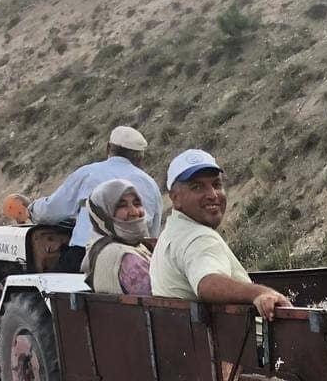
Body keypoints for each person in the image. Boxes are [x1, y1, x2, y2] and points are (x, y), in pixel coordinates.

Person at [149, 149, 292, 318]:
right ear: (176, 198)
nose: (212, 195)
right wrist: (259, 293)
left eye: (216, 184)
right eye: (197, 187)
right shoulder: (198, 238)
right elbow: (207, 283)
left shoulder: (172, 232)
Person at [25, 125, 163, 269]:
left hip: (85, 254)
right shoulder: (150, 185)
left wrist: (32, 209)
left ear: (108, 148)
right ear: (140, 157)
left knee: (52, 287)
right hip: (133, 259)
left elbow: (51, 211)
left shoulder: (88, 174)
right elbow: (152, 231)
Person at [83, 180, 154, 295]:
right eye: (122, 206)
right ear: (103, 215)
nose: (134, 212)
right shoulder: (125, 257)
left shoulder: (98, 246)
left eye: (137, 203)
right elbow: (164, 298)